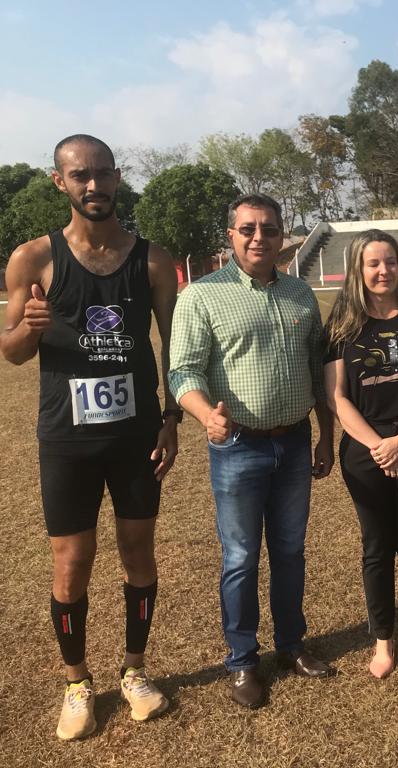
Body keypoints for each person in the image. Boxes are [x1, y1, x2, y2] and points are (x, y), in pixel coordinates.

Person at [0, 134, 178, 740]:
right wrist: (28, 327)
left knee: (137, 556)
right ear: (60, 182)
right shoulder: (32, 260)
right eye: (81, 176)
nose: (94, 185)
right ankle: (78, 682)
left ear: (117, 177)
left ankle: (134, 672)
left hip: (136, 436)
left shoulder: (153, 261)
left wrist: (172, 417)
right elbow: (13, 353)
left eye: (103, 174)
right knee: (71, 563)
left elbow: (171, 345)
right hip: (66, 439)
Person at [169, 192, 336, 709]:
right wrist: (204, 413)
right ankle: (242, 661)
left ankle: (291, 646)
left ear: (282, 233)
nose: (258, 237)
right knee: (241, 557)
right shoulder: (201, 296)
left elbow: (319, 373)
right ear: (231, 235)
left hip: (295, 439)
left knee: (290, 552)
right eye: (248, 229)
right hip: (237, 445)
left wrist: (327, 435)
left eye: (268, 228)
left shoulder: (300, 294)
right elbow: (184, 371)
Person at [323, 230, 398, 678]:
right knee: (376, 545)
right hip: (365, 451)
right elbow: (337, 397)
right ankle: (382, 639)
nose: (383, 271)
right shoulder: (341, 325)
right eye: (373, 263)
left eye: (390, 261)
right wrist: (379, 446)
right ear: (359, 269)